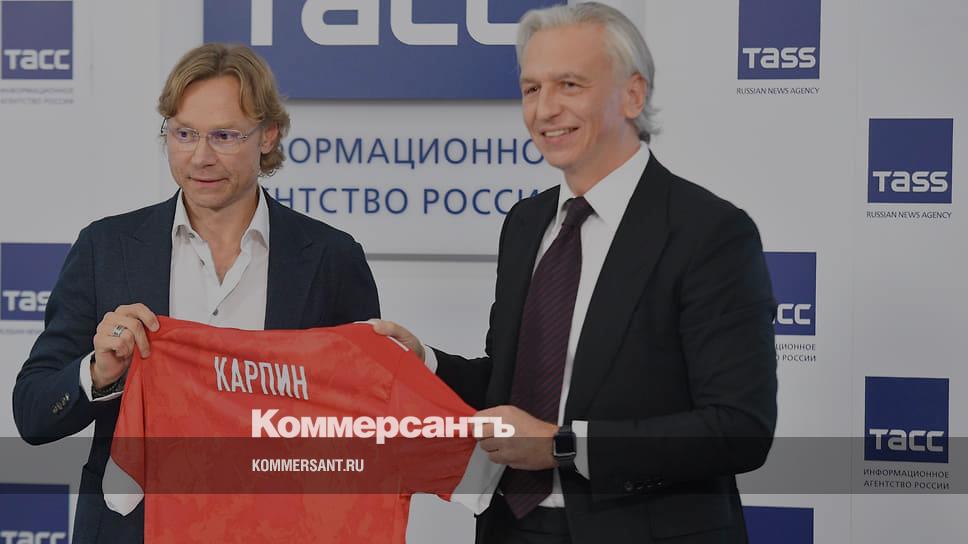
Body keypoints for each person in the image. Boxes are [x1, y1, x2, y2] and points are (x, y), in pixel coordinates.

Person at [373, 3, 777, 543]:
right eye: (531, 89)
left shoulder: (709, 232)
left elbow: (739, 428)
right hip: (512, 528)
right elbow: (514, 387)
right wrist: (427, 362)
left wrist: (563, 446)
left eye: (569, 84)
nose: (545, 109)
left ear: (632, 95)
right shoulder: (525, 224)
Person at [12, 43, 380, 543]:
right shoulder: (106, 248)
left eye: (224, 135)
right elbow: (33, 413)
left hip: (283, 528)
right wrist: (98, 373)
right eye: (184, 133)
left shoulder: (331, 258)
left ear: (268, 134)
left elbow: (363, 422)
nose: (201, 157)